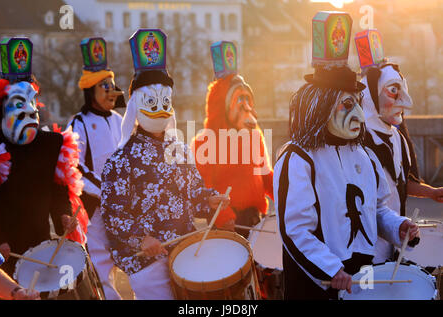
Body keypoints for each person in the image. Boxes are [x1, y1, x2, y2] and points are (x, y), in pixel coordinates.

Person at [274, 13, 419, 300]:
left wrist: (397, 227)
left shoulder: (364, 155)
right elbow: (295, 231)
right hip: (320, 284)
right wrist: (331, 270)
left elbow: (374, 210)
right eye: (347, 105)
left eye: (357, 104)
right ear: (321, 108)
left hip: (362, 274)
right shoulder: (298, 159)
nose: (360, 115)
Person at [100, 29, 230, 300]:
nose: (159, 108)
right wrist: (141, 239)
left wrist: (210, 200)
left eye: (165, 101)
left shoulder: (180, 150)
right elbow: (114, 214)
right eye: (151, 102)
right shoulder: (120, 161)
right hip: (145, 260)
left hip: (184, 249)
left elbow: (193, 193)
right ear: (136, 105)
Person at [354, 29, 443, 263]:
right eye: (393, 91)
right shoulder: (355, 140)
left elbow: (402, 183)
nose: (405, 102)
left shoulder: (397, 137)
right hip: (364, 247)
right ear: (371, 95)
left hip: (394, 237)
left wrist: (432, 193)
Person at [0, 37, 80, 277]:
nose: (31, 111)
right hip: (2, 250)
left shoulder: (52, 144)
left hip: (40, 245)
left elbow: (58, 190)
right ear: (3, 109)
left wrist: (63, 214)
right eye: (20, 103)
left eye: (32, 102)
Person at [191, 41, 273, 237]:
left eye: (248, 99)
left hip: (255, 219)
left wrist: (286, 192)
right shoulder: (205, 143)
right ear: (223, 106)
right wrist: (223, 215)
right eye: (239, 99)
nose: (246, 106)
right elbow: (204, 187)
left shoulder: (255, 136)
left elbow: (264, 174)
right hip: (227, 223)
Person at [67, 37, 125, 300]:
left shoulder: (119, 119)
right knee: (101, 266)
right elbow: (75, 164)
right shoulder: (78, 122)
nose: (112, 91)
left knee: (133, 261)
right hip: (94, 208)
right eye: (105, 86)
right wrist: (105, 191)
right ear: (91, 91)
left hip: (123, 205)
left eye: (112, 85)